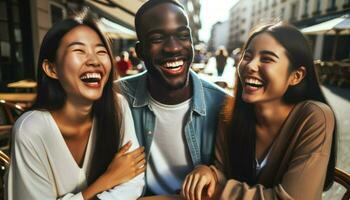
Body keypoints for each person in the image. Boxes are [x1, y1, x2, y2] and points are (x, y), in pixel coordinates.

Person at [182, 22, 337, 200]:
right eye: (247, 56)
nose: (249, 66)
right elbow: (224, 172)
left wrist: (218, 192)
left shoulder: (314, 116)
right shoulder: (230, 114)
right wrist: (210, 173)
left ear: (296, 76)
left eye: (267, 59)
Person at [6, 11, 145, 200]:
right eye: (79, 51)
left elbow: (134, 179)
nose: (94, 61)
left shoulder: (117, 106)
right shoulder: (31, 130)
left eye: (101, 51)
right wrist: (106, 181)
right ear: (51, 69)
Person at [117, 0, 228, 196]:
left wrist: (214, 173)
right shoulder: (117, 97)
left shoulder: (223, 106)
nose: (174, 48)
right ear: (140, 52)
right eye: (158, 39)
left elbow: (235, 176)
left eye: (183, 36)